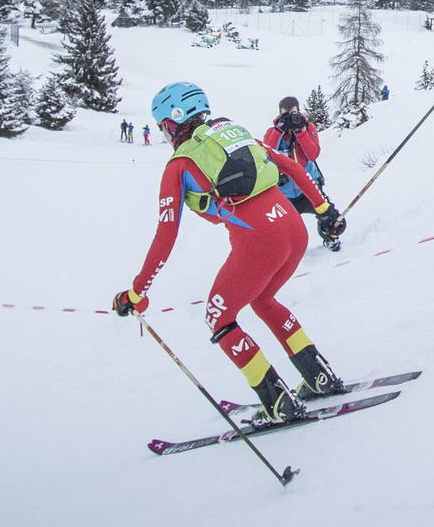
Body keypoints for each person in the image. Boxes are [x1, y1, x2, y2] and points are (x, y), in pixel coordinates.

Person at [112, 82, 350, 424]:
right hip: (292, 229)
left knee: (219, 317)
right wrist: (325, 209)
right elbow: (292, 167)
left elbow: (166, 236)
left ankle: (277, 402)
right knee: (264, 301)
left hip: (260, 243)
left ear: (174, 122)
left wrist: (137, 293)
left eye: (163, 125)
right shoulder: (234, 133)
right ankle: (319, 376)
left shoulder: (178, 166)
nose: (164, 133)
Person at [264, 95, 326, 203]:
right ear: (280, 114)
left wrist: (301, 133)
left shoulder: (308, 127)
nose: (289, 118)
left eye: (292, 113)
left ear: (298, 112)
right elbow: (267, 157)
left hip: (310, 184)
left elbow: (313, 155)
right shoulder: (272, 132)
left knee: (329, 215)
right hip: (285, 191)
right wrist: (278, 131)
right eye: (285, 115)